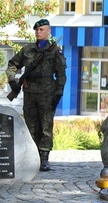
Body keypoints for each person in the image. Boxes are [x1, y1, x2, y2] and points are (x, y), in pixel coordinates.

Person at [6, 18, 67, 172]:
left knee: (45, 125)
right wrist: (13, 82)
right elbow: (12, 65)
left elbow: (61, 74)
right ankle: (30, 157)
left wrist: (59, 93)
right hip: (30, 92)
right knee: (30, 125)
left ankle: (44, 158)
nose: (38, 32)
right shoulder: (27, 50)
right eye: (37, 30)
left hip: (47, 93)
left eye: (42, 30)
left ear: (49, 31)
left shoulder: (55, 51)